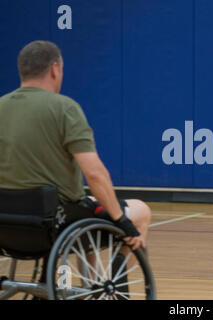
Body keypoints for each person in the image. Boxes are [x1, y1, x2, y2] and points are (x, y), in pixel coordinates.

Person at [0, 41, 151, 277]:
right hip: (55, 223)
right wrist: (121, 220)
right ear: (54, 69)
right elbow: (95, 174)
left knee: (88, 205)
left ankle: (90, 285)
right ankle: (115, 283)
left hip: (7, 224)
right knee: (141, 211)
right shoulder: (64, 108)